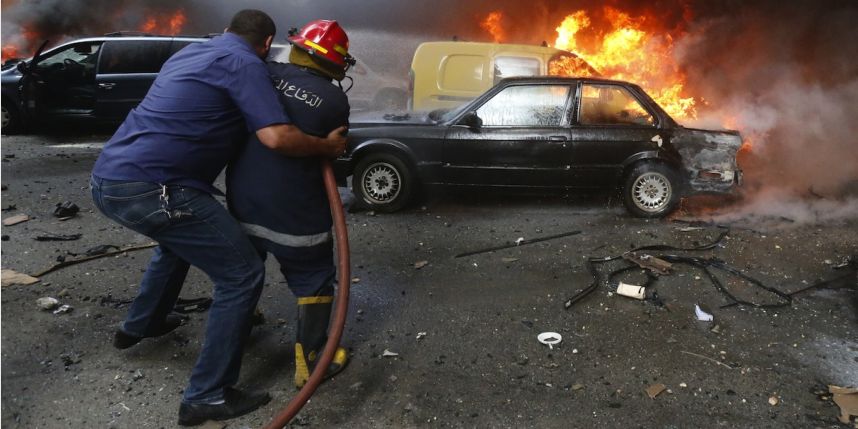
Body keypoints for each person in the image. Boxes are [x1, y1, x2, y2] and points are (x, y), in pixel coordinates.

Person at [89, 9, 347, 427]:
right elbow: (276, 136)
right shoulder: (246, 63)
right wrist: (325, 146)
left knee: (177, 242)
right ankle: (206, 395)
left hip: (110, 178)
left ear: (228, 31)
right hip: (157, 187)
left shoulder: (192, 53)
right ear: (266, 44)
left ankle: (142, 324)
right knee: (242, 273)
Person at [226, 19, 353, 390]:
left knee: (244, 271)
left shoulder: (260, 72)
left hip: (243, 201)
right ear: (335, 62)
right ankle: (311, 361)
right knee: (314, 279)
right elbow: (336, 149)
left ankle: (242, 327)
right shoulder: (333, 100)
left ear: (296, 47)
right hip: (295, 214)